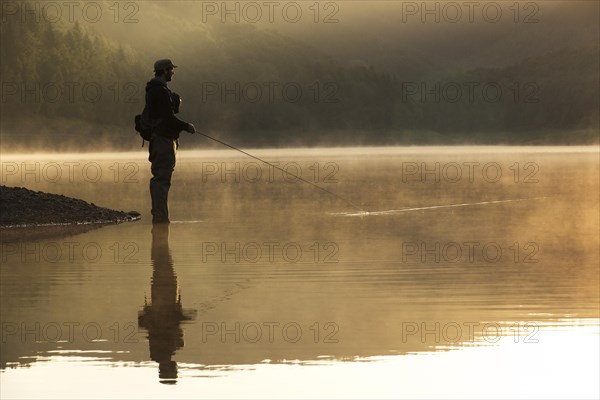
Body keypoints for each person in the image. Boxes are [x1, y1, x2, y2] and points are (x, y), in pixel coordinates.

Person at [145, 59, 195, 223]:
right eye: (171, 70)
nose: (173, 72)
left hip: (161, 140)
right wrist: (187, 126)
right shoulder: (159, 91)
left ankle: (160, 218)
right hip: (162, 141)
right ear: (164, 71)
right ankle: (160, 219)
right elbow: (168, 119)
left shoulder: (156, 90)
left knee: (161, 178)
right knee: (162, 179)